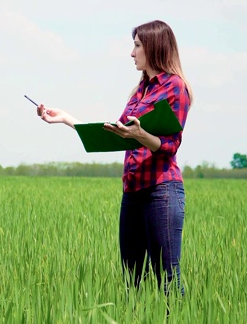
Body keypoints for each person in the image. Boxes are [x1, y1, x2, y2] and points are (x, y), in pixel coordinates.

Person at [36, 20, 192, 295]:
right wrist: (67, 119)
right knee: (133, 281)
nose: (132, 53)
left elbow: (169, 145)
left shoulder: (175, 87)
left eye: (137, 46)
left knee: (168, 279)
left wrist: (141, 135)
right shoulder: (139, 91)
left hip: (162, 191)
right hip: (132, 192)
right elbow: (114, 135)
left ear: (153, 47)